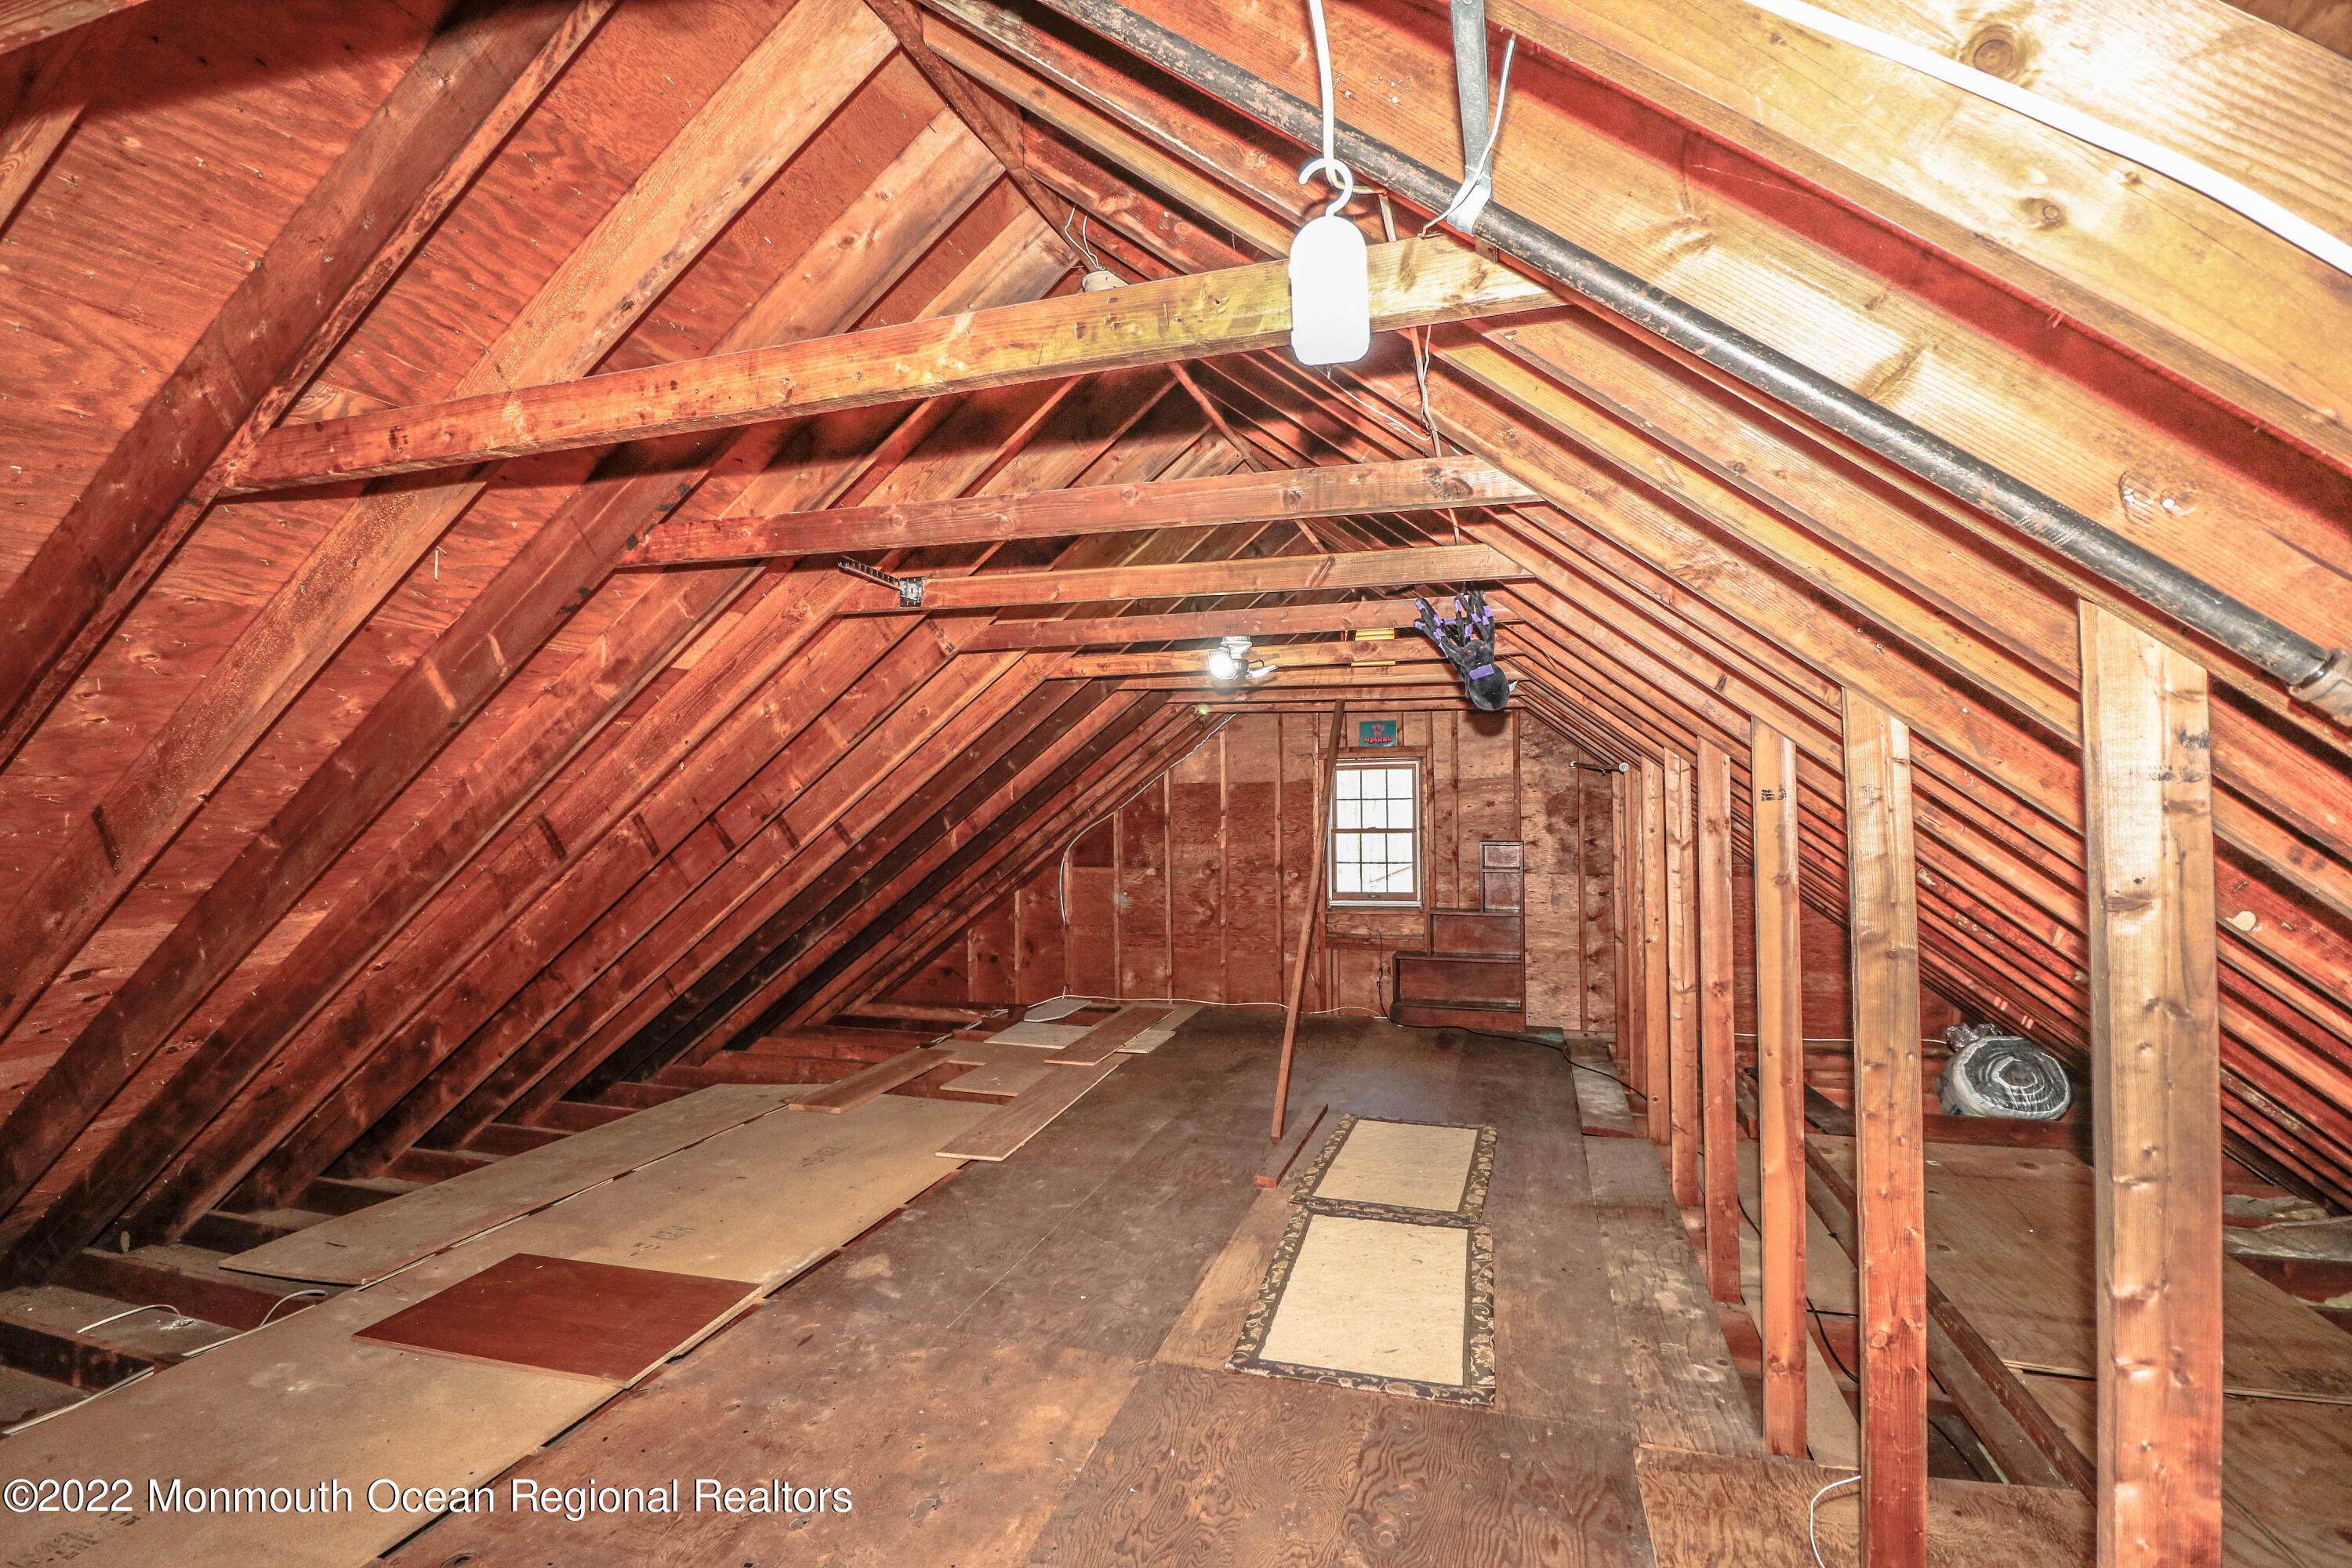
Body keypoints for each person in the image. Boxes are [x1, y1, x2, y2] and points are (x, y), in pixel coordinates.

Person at [1414, 586, 1510, 711]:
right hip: (1462, 625)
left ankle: (1433, 619)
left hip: (1459, 629)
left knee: (1447, 640)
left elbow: (1445, 645)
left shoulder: (1466, 659)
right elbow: (1445, 644)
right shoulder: (1471, 659)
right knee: (1448, 640)